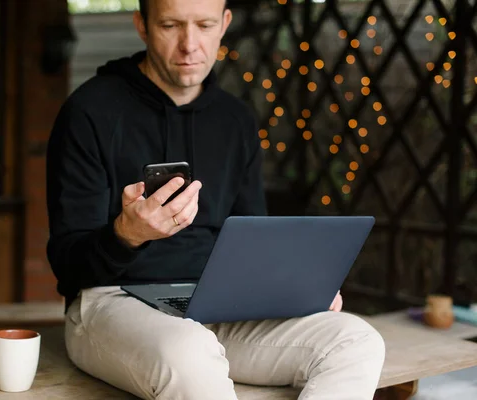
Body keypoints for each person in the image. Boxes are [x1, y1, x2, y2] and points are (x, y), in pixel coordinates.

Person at [46, 0, 385, 398]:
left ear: (224, 23)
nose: (190, 44)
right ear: (142, 24)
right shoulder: (89, 112)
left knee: (356, 340)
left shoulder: (235, 120)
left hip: (218, 304)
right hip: (109, 302)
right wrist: (127, 233)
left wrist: (299, 287)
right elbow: (69, 268)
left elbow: (252, 242)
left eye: (204, 25)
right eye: (171, 25)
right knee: (189, 350)